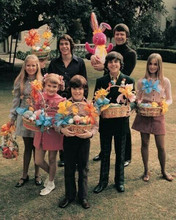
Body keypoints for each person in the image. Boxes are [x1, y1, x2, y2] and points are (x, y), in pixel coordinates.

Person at [90, 24, 137, 166]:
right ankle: (103, 151)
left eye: (122, 34)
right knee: (106, 124)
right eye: (117, 34)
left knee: (123, 126)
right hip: (107, 89)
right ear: (114, 35)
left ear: (126, 36)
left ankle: (126, 156)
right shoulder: (111, 49)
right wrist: (97, 61)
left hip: (122, 90)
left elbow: (125, 72)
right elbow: (105, 66)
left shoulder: (130, 53)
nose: (119, 37)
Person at [93, 51, 135, 194]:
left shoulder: (128, 80)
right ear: (107, 65)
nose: (113, 64)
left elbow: (133, 101)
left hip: (121, 123)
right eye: (110, 61)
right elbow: (95, 101)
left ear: (120, 64)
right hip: (106, 122)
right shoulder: (101, 81)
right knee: (105, 153)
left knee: (120, 154)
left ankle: (120, 181)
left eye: (116, 61)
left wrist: (131, 108)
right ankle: (102, 181)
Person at [132, 53, 173, 182]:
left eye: (155, 64)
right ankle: (146, 170)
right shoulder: (141, 81)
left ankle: (163, 170)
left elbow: (170, 99)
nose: (152, 66)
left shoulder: (165, 81)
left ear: (159, 66)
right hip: (144, 114)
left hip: (158, 114)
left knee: (161, 146)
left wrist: (164, 104)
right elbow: (138, 98)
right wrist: (138, 103)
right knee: (145, 143)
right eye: (150, 63)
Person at [58, 75, 98, 209]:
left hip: (84, 141)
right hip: (69, 140)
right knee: (69, 168)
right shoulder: (65, 104)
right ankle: (69, 195)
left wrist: (90, 133)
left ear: (84, 90)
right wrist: (62, 130)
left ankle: (83, 196)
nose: (77, 92)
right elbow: (57, 122)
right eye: (75, 88)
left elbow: (96, 125)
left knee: (83, 168)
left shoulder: (89, 106)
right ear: (70, 89)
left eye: (80, 89)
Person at [48, 34, 87, 167]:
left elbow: (84, 83)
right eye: (61, 44)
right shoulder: (54, 63)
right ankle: (64, 156)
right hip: (58, 101)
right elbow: (48, 81)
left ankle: (77, 157)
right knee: (62, 127)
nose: (64, 46)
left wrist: (82, 101)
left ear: (71, 45)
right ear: (58, 47)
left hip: (75, 100)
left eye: (66, 44)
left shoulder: (79, 62)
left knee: (76, 124)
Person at [10, 54, 43, 187]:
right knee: (28, 147)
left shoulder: (42, 80)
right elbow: (16, 100)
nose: (31, 68)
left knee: (37, 147)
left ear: (37, 66)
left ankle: (37, 174)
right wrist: (12, 116)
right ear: (25, 66)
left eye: (33, 65)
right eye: (28, 65)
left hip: (37, 117)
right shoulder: (20, 81)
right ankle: (24, 174)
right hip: (24, 116)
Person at [34, 73, 66, 195]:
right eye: (49, 86)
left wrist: (53, 122)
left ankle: (51, 182)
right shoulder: (39, 96)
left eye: (54, 86)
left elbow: (62, 118)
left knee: (52, 159)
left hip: (54, 134)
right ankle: (51, 174)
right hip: (41, 133)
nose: (51, 89)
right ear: (45, 85)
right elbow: (35, 111)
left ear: (59, 87)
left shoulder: (61, 100)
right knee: (38, 160)